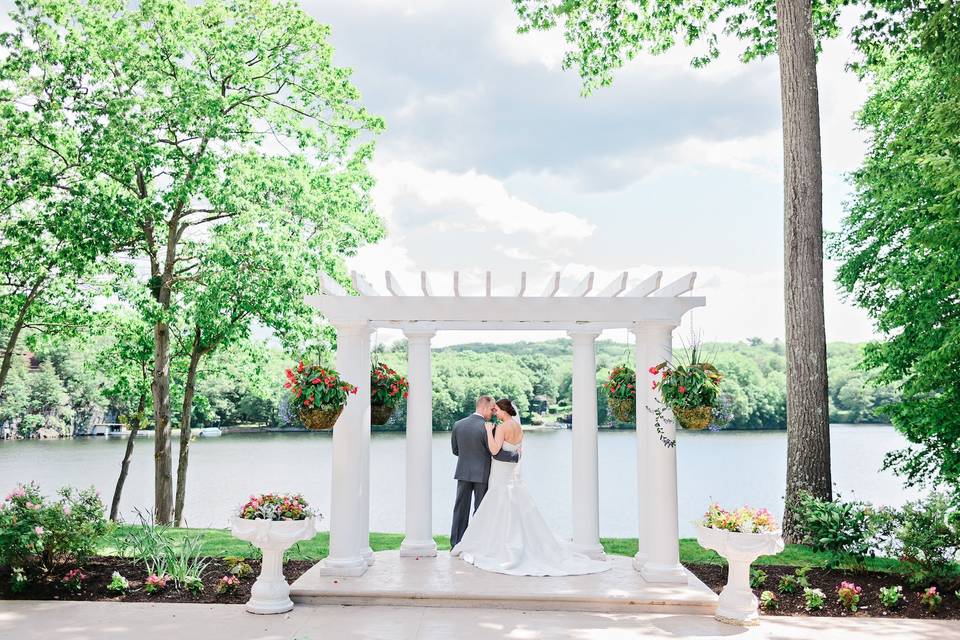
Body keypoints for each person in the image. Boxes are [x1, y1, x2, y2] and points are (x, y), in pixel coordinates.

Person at [450, 398, 610, 577]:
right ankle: (499, 542)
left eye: (496, 410)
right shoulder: (517, 427)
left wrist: (489, 432)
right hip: (500, 473)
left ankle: (463, 542)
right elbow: (516, 452)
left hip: (473, 472)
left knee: (480, 509)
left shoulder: (465, 425)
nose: (494, 413)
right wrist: (507, 452)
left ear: (502, 411)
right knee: (486, 508)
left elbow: (481, 450)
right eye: (492, 409)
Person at [449, 396, 519, 547]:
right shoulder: (489, 427)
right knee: (481, 510)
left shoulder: (458, 425)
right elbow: (496, 452)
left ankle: (456, 543)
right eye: (492, 409)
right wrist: (515, 454)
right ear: (485, 408)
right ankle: (476, 543)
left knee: (460, 509)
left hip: (463, 472)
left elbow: (455, 451)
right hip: (483, 474)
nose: (493, 413)